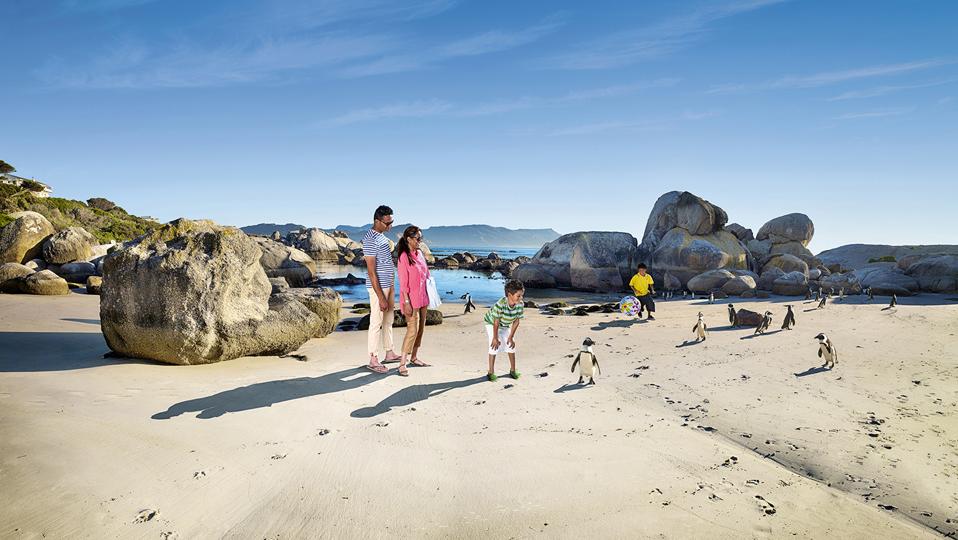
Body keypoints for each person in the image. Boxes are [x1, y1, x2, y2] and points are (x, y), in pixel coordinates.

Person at [363, 205, 401, 373]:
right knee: (376, 322)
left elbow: (386, 265)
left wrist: (392, 288)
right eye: (387, 223)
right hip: (378, 288)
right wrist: (381, 297)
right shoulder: (370, 239)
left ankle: (390, 352)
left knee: (388, 320)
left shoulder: (383, 238)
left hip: (389, 286)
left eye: (392, 222)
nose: (390, 226)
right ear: (377, 221)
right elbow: (371, 272)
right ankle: (373, 359)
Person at [395, 225, 432, 376]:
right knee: (412, 330)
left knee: (421, 329)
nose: (419, 241)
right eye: (417, 238)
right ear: (409, 239)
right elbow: (403, 284)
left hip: (423, 297)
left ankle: (414, 357)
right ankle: (402, 363)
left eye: (421, 238)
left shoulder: (420, 254)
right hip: (410, 300)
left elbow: (427, 273)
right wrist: (407, 302)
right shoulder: (404, 257)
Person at [483, 279, 525, 382]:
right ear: (510, 295)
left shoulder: (520, 304)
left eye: (521, 295)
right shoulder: (500, 304)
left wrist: (510, 337)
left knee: (511, 345)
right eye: (518, 296)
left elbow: (516, 321)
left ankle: (513, 370)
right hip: (491, 322)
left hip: (505, 324)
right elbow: (496, 322)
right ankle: (491, 372)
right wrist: (495, 338)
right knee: (494, 346)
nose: (521, 298)